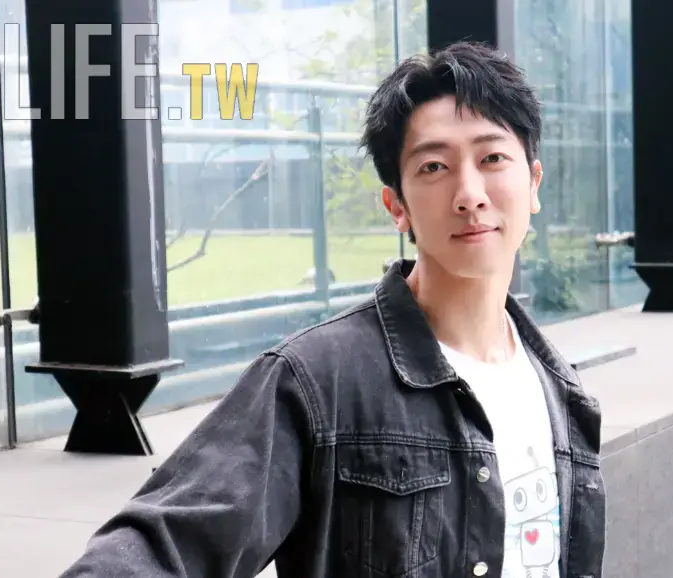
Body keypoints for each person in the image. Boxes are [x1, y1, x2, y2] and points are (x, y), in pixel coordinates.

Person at [60, 41, 606, 578]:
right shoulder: (317, 380)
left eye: (492, 158)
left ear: (533, 182)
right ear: (397, 206)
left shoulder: (558, 386)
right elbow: (159, 547)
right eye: (434, 166)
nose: (470, 194)